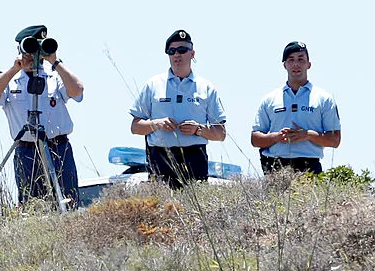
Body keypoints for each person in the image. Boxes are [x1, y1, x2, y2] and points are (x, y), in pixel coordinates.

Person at [0, 25, 84, 207]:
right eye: (30, 49)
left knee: (69, 202)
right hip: (27, 151)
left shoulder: (55, 76)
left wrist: (55, 62)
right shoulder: (10, 79)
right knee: (32, 206)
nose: (33, 56)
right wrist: (14, 69)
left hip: (58, 148)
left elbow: (77, 90)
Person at [130, 30, 227, 187]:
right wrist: (157, 124)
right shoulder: (153, 85)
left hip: (194, 158)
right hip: (160, 158)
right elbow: (135, 127)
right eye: (172, 51)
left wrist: (198, 129)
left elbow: (221, 134)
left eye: (182, 50)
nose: (177, 55)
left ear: (192, 53)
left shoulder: (206, 88)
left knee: (193, 209)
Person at [251, 41, 341, 175]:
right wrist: (276, 137)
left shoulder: (324, 99)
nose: (296, 64)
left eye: (301, 59)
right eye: (291, 60)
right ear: (285, 65)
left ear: (309, 64)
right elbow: (255, 139)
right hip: (275, 165)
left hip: (309, 166)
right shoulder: (270, 99)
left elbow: (335, 140)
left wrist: (308, 135)